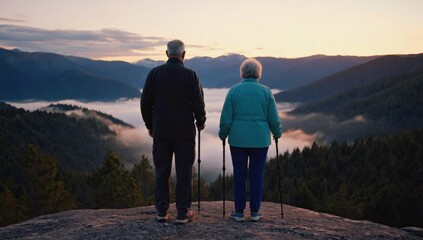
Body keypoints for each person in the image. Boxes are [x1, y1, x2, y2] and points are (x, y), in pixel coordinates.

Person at [141, 39, 206, 224]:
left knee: (162, 170)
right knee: (184, 171)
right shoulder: (191, 75)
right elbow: (198, 103)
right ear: (184, 55)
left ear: (166, 53)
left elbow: (145, 103)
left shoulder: (154, 74)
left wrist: (150, 125)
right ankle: (182, 212)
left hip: (161, 130)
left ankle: (162, 211)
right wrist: (200, 122)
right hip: (185, 131)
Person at [219, 58, 282, 222]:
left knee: (239, 173)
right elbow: (274, 119)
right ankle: (255, 211)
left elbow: (226, 118)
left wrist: (222, 134)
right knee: (257, 173)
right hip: (260, 140)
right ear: (258, 74)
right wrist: (277, 133)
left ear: (242, 73)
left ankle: (239, 211)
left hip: (238, 139)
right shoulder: (266, 92)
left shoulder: (233, 91)